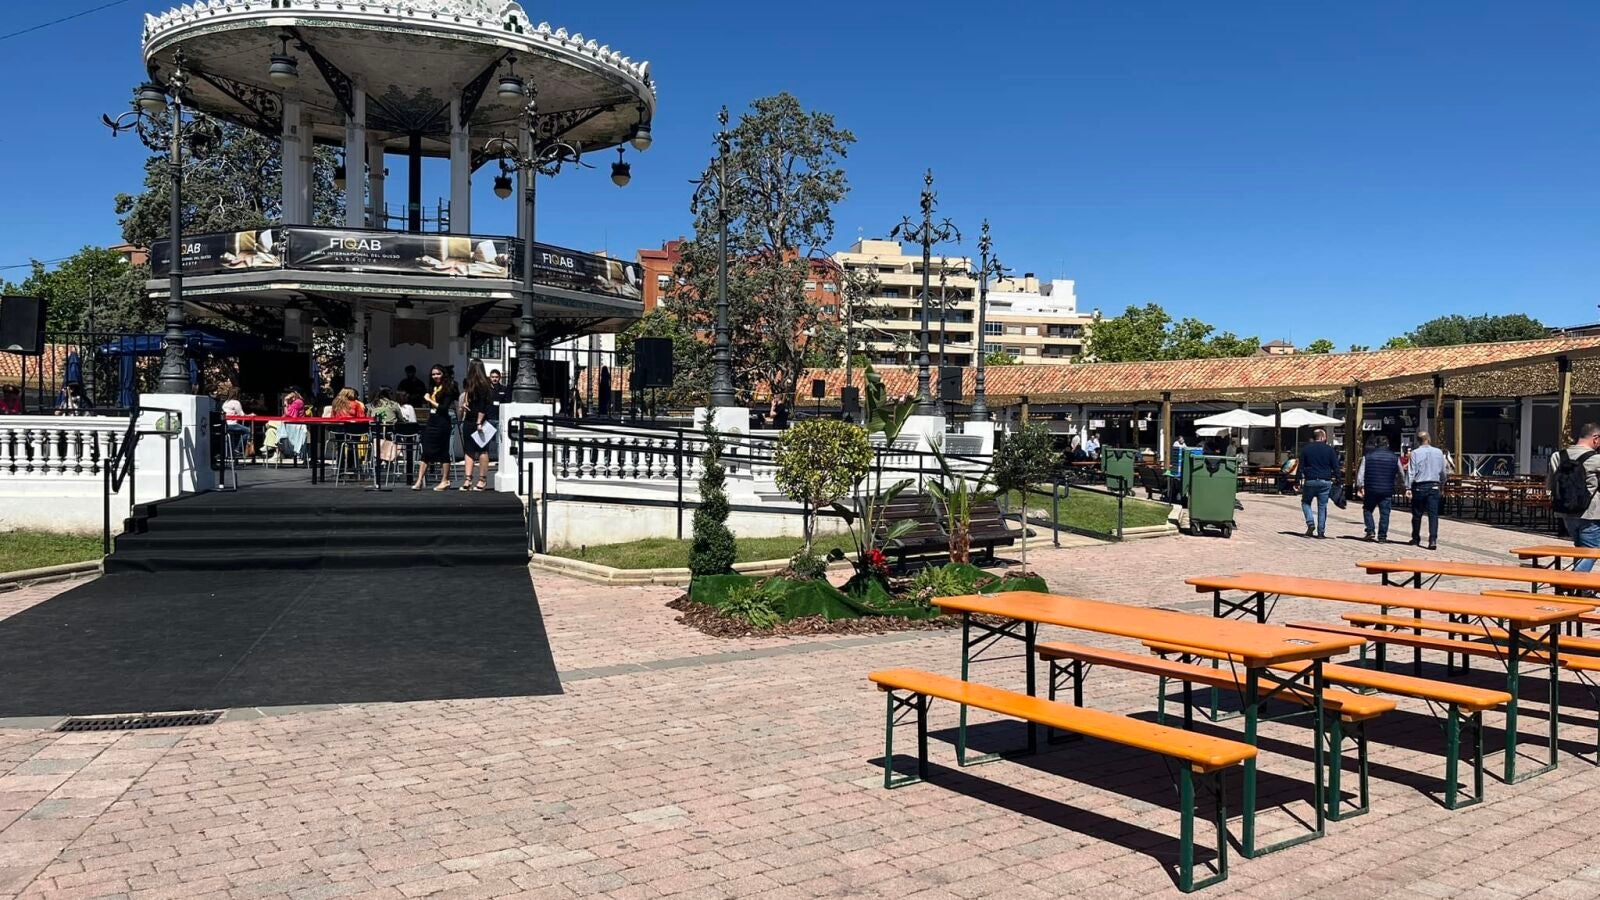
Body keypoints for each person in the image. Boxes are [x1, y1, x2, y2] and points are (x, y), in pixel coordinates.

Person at [1548, 423, 1600, 574]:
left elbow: (1551, 484)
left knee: (1580, 550)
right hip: (1591, 513)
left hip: (1566, 512)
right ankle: (1571, 581)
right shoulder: (1596, 459)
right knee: (1593, 550)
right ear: (1595, 438)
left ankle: (1578, 585)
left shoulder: (1557, 456)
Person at [413, 365, 459, 491]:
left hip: (443, 421)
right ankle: (419, 481)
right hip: (432, 421)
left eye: (438, 373)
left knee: (443, 451)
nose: (436, 376)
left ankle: (445, 480)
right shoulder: (432, 387)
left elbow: (444, 408)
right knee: (426, 451)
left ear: (443, 374)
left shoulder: (448, 388)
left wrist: (429, 400)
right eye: (433, 374)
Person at [1356, 438, 1406, 542]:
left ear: (1376, 444)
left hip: (1371, 488)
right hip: (1387, 489)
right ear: (1387, 444)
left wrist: (1360, 486)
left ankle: (1370, 530)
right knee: (1385, 513)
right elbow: (1401, 473)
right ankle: (1382, 536)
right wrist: (1402, 485)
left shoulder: (1368, 456)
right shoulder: (1394, 457)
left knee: (1367, 509)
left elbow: (1361, 473)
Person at [1407, 430, 1448, 550]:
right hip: (1434, 485)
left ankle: (1415, 538)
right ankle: (1433, 540)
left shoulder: (1415, 453)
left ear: (1418, 441)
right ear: (1429, 439)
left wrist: (1408, 487)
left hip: (1419, 486)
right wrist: (1442, 482)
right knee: (1433, 515)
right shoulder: (1438, 452)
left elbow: (1411, 471)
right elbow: (1443, 471)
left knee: (1417, 514)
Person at [1297, 427, 1340, 538]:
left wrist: (1297, 480)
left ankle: (1310, 522)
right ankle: (1321, 532)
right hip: (1325, 481)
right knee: (1322, 506)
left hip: (1310, 480)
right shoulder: (1329, 450)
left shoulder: (1306, 449)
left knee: (1306, 503)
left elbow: (1300, 466)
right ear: (1323, 437)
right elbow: (1336, 466)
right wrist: (1338, 479)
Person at [459, 360, 493, 491]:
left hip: (476, 420)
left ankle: (473, 479)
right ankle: (477, 480)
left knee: (476, 450)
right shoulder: (481, 384)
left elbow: (482, 406)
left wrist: (479, 422)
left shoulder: (480, 385)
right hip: (474, 419)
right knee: (477, 450)